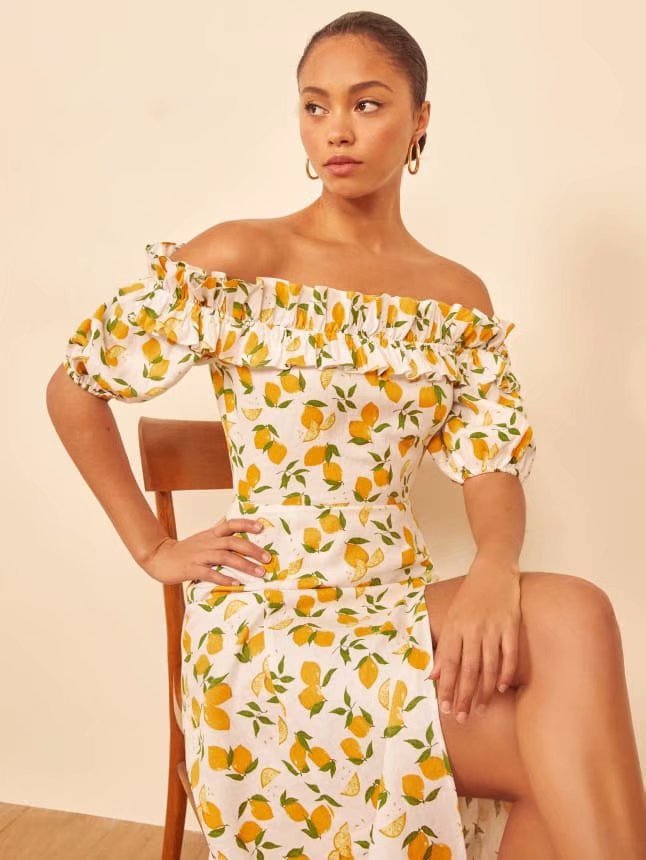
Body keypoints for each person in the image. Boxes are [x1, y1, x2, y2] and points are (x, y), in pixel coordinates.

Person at [47, 11, 646, 860]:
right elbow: (75, 388)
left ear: (419, 119)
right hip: (269, 615)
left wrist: (494, 565)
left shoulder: (455, 298)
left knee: (575, 612)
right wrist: (153, 547)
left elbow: (491, 466)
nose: (337, 129)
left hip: (393, 594)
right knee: (559, 762)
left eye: (367, 104)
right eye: (315, 105)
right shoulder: (243, 257)